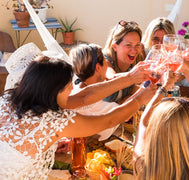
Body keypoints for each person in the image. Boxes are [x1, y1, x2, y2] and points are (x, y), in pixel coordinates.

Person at [0, 56, 156, 179]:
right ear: (52, 91)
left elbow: (85, 96)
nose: (72, 89)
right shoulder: (55, 121)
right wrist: (142, 97)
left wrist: (130, 78)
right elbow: (110, 120)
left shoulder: (7, 100)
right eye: (69, 86)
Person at [70, 43, 156, 141]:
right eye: (105, 62)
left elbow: (113, 81)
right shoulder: (94, 102)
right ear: (98, 67)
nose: (107, 65)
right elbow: (124, 115)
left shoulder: (76, 90)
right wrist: (144, 89)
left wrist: (136, 77)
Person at [102, 20, 144, 103]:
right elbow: (111, 78)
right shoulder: (104, 59)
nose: (134, 51)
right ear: (115, 47)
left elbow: (132, 94)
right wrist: (133, 76)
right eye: (128, 45)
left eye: (137, 45)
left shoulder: (138, 60)